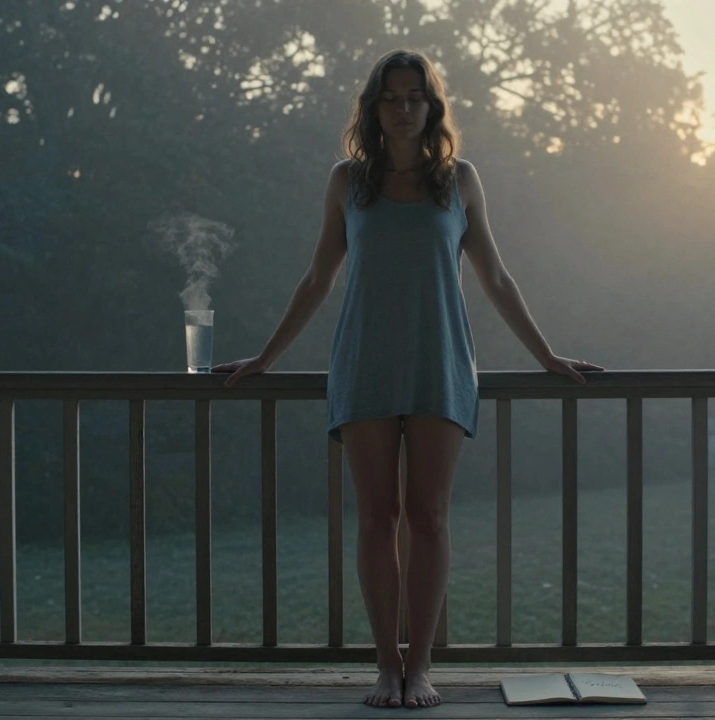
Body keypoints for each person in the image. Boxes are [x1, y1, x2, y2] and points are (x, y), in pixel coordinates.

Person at [212, 49, 604, 709]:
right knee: (376, 517)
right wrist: (265, 359)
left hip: (439, 361)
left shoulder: (460, 181)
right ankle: (385, 665)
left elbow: (496, 278)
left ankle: (419, 666)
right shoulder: (347, 181)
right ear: (374, 108)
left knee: (428, 516)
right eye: (391, 97)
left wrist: (547, 357)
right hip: (364, 361)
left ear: (431, 106)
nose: (403, 108)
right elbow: (318, 278)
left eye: (414, 97)